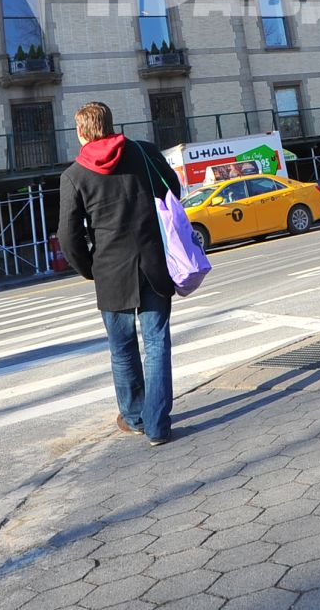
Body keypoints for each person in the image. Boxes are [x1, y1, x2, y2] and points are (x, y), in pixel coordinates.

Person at [58, 100, 182, 446]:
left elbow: (68, 236)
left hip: (111, 272)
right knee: (157, 344)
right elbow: (173, 190)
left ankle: (134, 416)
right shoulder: (143, 152)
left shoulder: (74, 176)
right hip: (154, 262)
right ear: (111, 124)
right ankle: (158, 426)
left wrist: (89, 269)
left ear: (82, 132)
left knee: (122, 349)